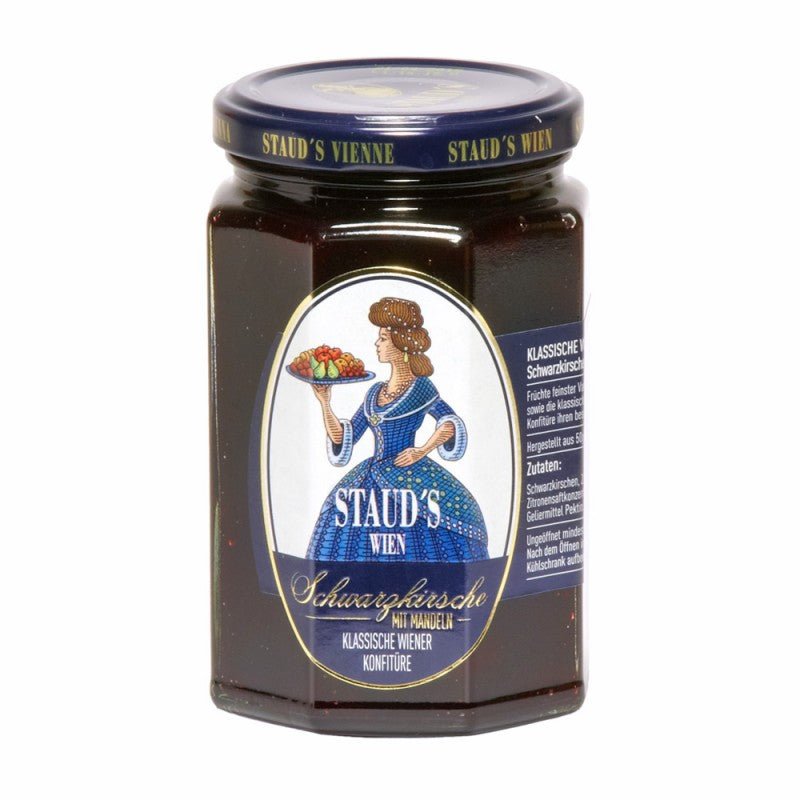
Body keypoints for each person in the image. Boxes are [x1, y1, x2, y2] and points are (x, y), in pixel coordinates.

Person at [306, 297, 488, 562]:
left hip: (412, 473)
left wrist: (421, 450)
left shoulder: (421, 388)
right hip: (369, 479)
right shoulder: (374, 393)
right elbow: (344, 438)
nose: (376, 344)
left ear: (400, 344)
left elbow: (450, 423)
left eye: (382, 338)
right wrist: (325, 402)